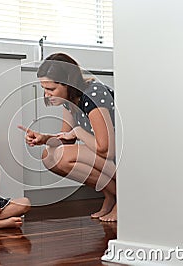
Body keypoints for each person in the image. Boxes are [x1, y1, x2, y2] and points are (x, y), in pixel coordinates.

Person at [19, 53, 117, 222]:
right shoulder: (69, 100)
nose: (47, 94)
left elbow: (107, 149)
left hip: (121, 157)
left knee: (62, 155)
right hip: (104, 155)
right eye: (44, 88)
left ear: (68, 84)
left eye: (51, 89)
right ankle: (111, 195)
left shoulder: (92, 95)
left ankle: (123, 199)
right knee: (50, 155)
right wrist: (44, 138)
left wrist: (78, 131)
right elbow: (67, 140)